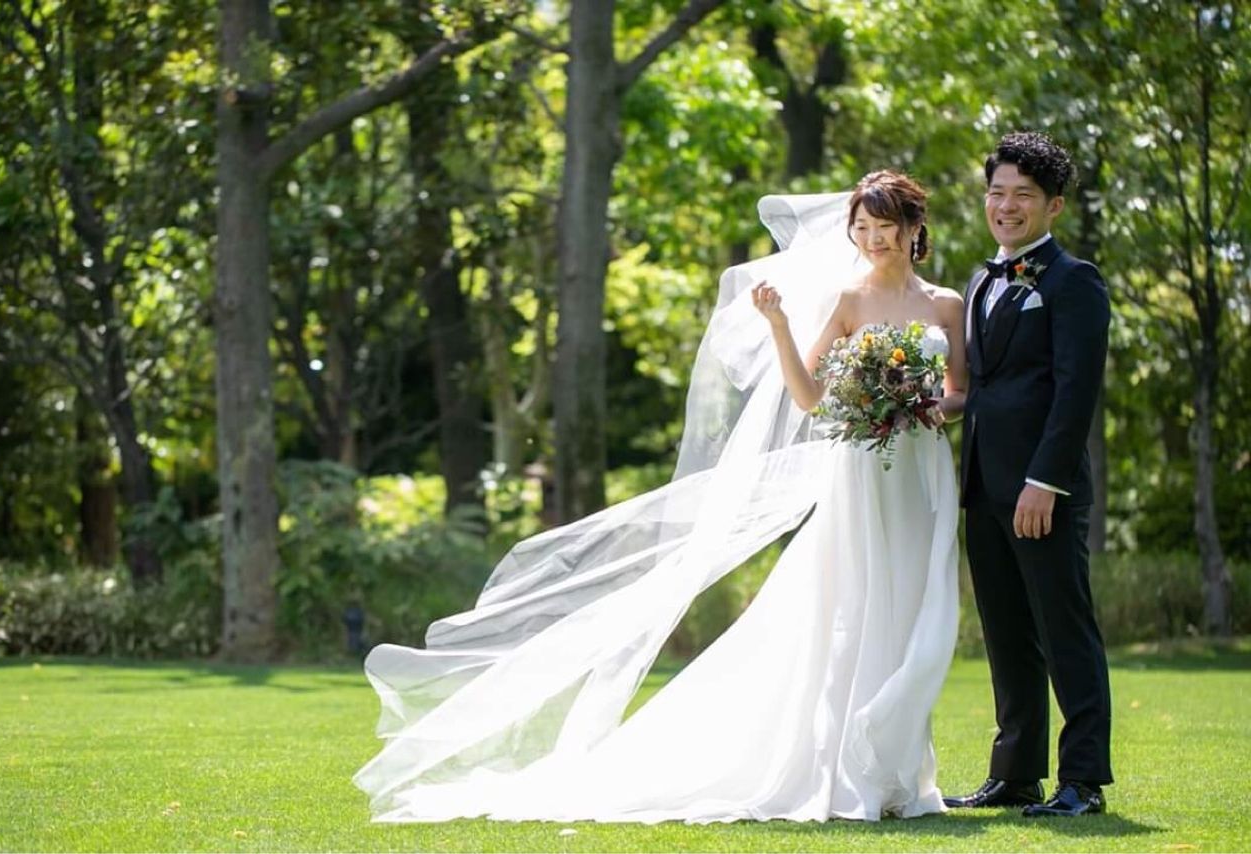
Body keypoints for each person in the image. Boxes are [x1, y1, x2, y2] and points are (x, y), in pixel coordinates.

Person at [354, 171, 966, 824]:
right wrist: (781, 326)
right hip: (860, 473)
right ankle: (852, 772)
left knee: (916, 612)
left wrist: (927, 406)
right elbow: (810, 397)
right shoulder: (846, 299)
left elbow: (961, 391)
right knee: (853, 611)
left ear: (913, 228)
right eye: (862, 228)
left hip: (921, 470)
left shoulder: (947, 305)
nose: (873, 239)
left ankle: (901, 774)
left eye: (885, 227)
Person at [945, 132, 1113, 817]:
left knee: (1066, 631)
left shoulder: (1075, 281)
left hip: (1044, 490)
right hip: (983, 486)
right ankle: (1015, 774)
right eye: (997, 192)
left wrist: (1045, 481)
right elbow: (980, 388)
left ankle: (1083, 782)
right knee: (1007, 633)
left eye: (1023, 195)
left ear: (1053, 206)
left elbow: (1076, 392)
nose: (1006, 206)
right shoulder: (980, 280)